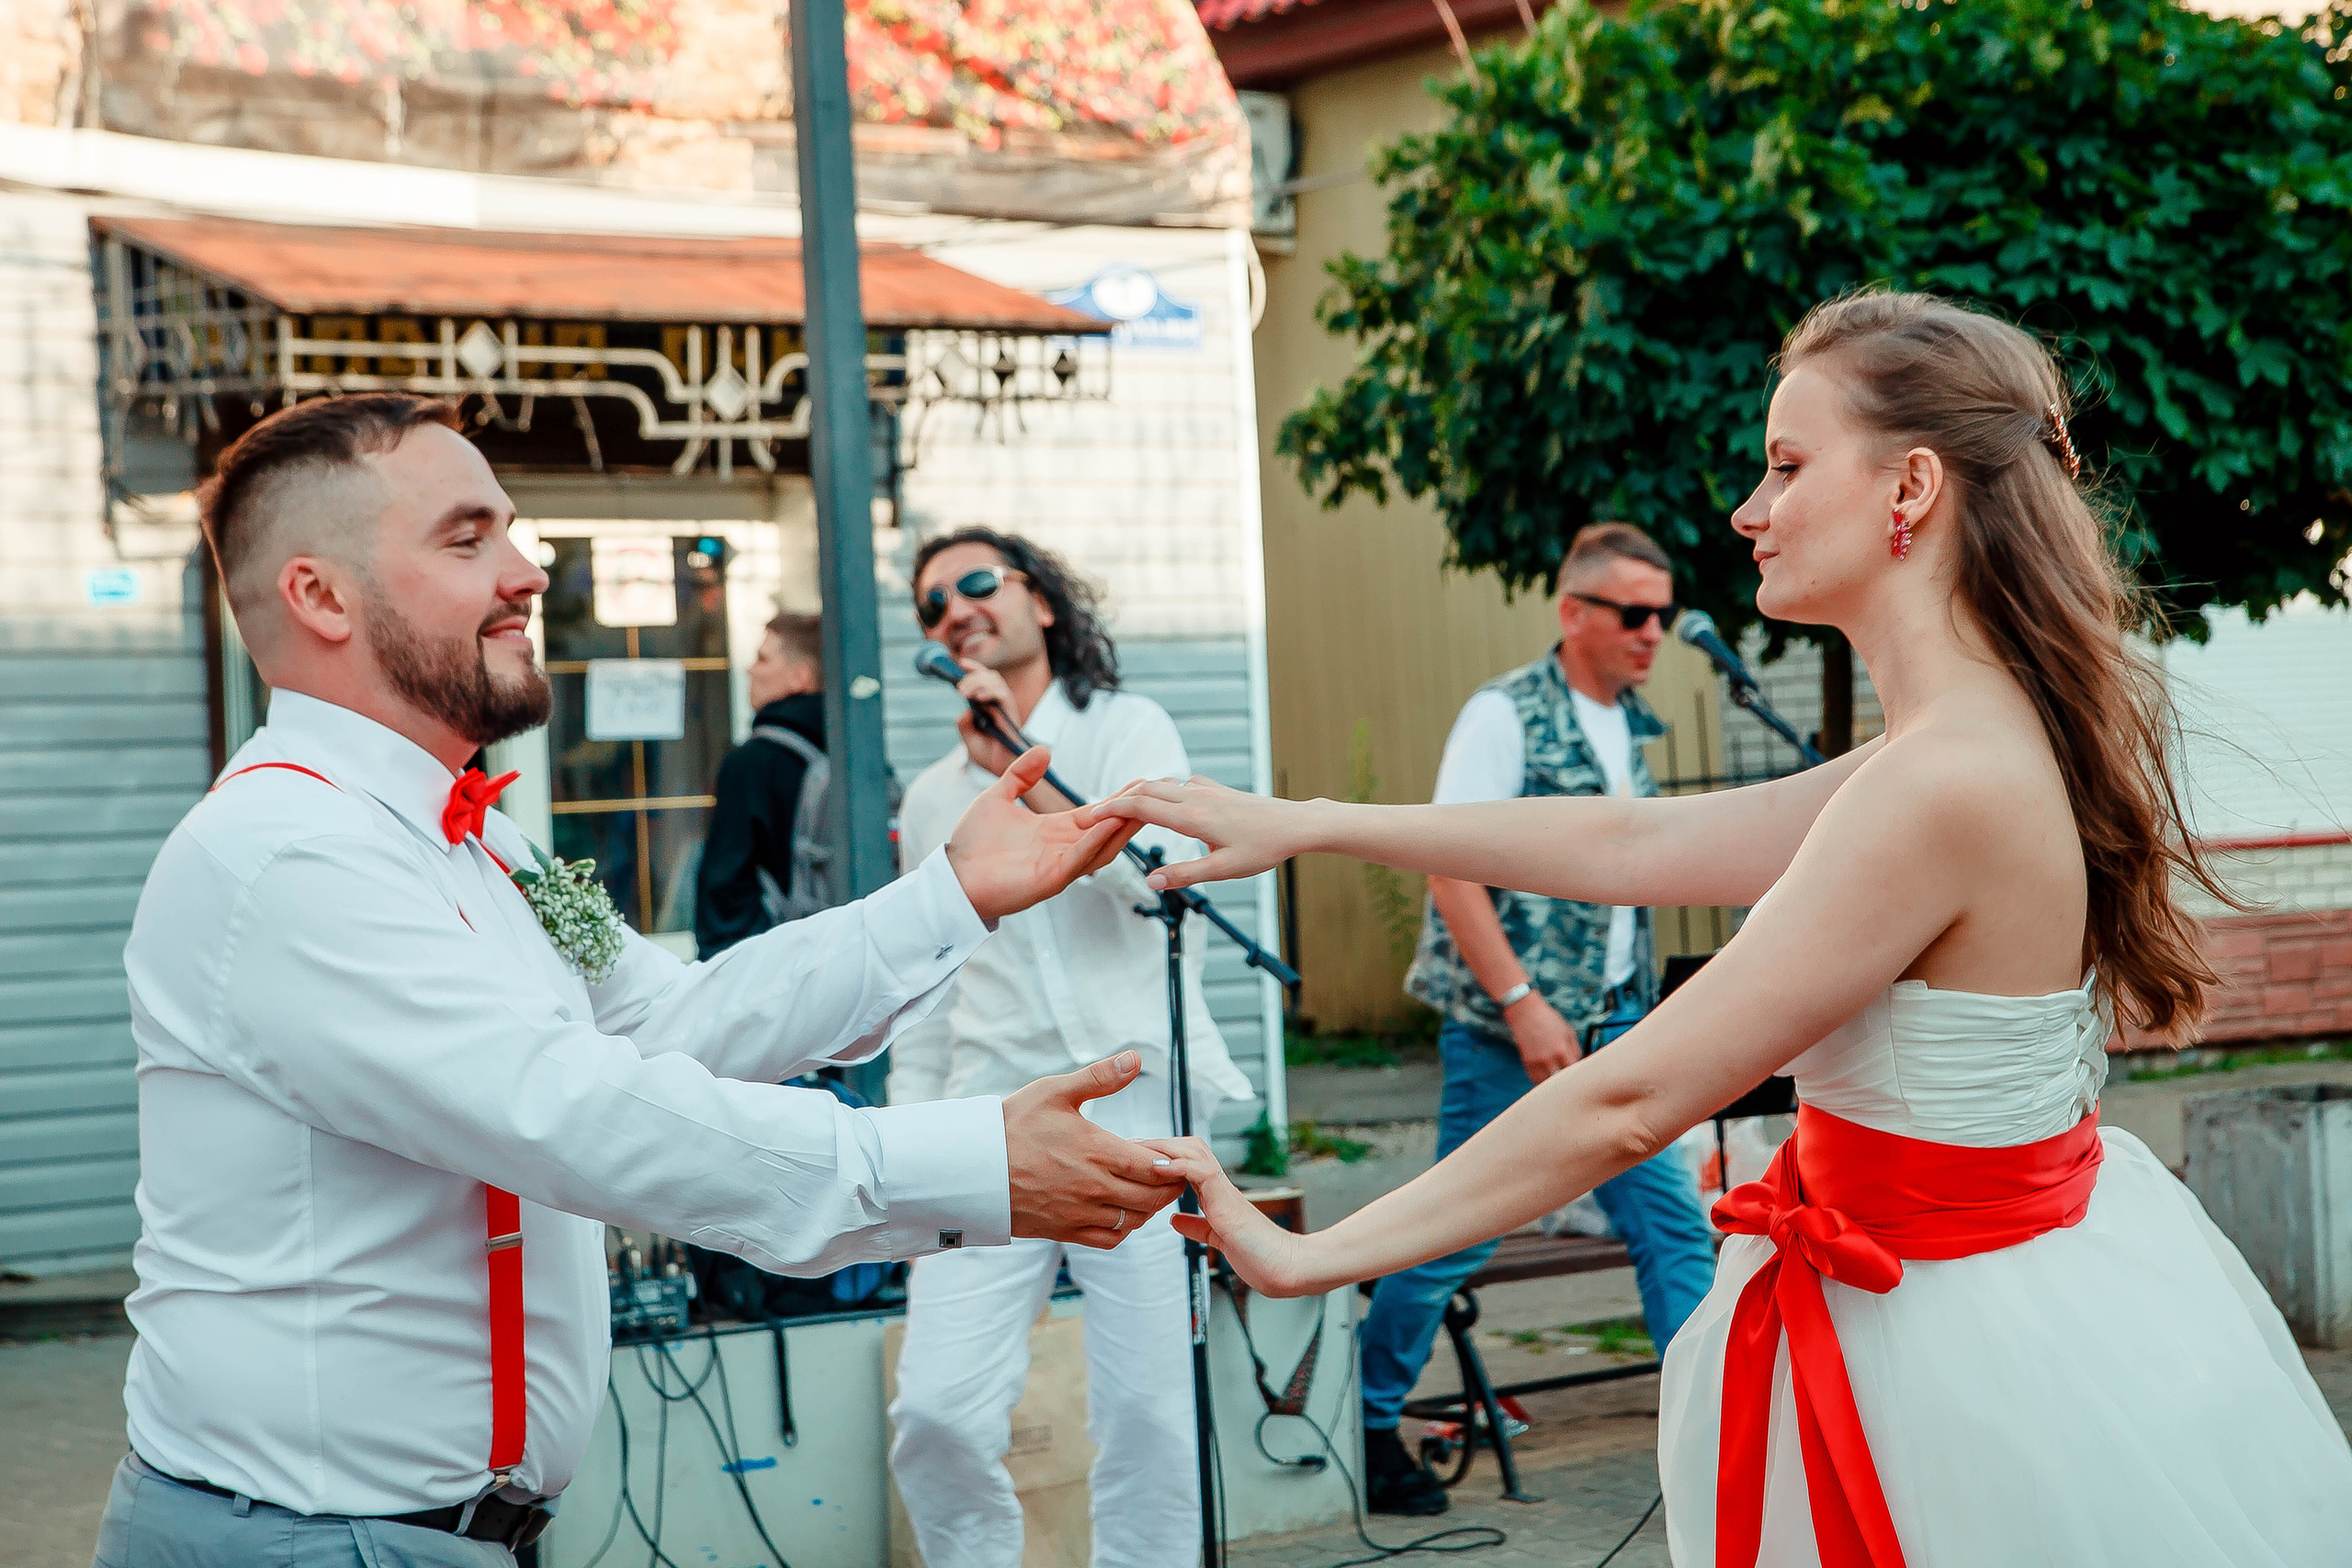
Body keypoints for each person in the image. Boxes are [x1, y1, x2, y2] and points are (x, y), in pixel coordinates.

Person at [1087, 294, 2352, 1564]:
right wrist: (1308, 819)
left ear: (1910, 487)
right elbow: (1633, 843)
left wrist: (1318, 1255)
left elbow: (1627, 1099)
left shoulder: (1935, 782)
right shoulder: (1962, 741)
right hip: (2012, 1294)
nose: (1749, 510)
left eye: (1787, 466)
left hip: (1943, 1337)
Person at [100, 394, 1179, 1568]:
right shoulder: (280, 856)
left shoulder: (484, 842)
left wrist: (950, 895)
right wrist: (966, 1163)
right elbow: (575, 1116)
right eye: (468, 539)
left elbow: (673, 1022)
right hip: (300, 1542)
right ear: (320, 596)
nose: (525, 573)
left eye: (513, 533)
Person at [886, 527, 1255, 1568]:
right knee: (938, 1411)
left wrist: (1016, 767)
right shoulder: (927, 801)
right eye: (931, 605)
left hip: (1133, 1108)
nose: (954, 609)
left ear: (1040, 602)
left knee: (1147, 1413)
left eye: (973, 584)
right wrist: (907, 1155)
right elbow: (927, 990)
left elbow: (1158, 879)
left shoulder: (1130, 727)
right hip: (982, 1123)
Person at [1360, 521, 1719, 1516]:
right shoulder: (1504, 715)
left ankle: (1712, 1440)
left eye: (1665, 614)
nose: (1654, 633)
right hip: (1502, 1033)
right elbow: (1449, 865)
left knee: (1676, 1230)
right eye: (1634, 614)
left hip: (1614, 1030)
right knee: (1452, 1237)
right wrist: (1522, 1006)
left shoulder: (1630, 725)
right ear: (1574, 613)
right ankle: (1366, 1417)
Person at [695, 611, 828, 957]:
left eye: (764, 658)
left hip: (774, 962)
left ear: (800, 678)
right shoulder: (854, 753)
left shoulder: (752, 763)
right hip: (837, 952)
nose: (750, 669)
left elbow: (725, 891)